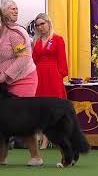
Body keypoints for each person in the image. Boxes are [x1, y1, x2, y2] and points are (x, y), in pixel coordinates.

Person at [0, 4, 43, 166]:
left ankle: (36, 157)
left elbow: (24, 58)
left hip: (23, 78)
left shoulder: (16, 33)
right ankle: (0, 157)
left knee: (23, 119)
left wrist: (7, 74)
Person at [32, 13, 68, 149]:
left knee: (55, 109)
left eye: (42, 23)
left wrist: (60, 76)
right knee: (41, 110)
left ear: (48, 23)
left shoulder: (58, 39)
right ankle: (43, 138)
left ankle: (55, 138)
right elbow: (33, 61)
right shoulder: (36, 41)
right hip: (39, 77)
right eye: (38, 25)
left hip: (53, 77)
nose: (40, 27)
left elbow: (62, 61)